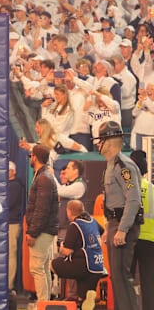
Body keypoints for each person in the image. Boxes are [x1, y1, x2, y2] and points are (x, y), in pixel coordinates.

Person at [93, 121, 142, 310]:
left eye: (100, 140)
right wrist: (110, 227)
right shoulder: (112, 164)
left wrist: (121, 229)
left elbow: (133, 199)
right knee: (117, 277)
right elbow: (116, 201)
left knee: (122, 276)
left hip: (123, 224)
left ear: (110, 141)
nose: (98, 145)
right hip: (116, 222)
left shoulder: (123, 166)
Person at [51, 200, 107, 307]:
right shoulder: (92, 221)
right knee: (84, 298)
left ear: (69, 212)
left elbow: (67, 251)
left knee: (53, 264)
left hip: (83, 266)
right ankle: (84, 299)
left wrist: (61, 246)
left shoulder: (75, 225)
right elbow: (104, 234)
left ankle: (50, 295)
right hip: (97, 266)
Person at [25, 144, 58, 308]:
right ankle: (45, 303)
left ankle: (42, 304)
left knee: (37, 268)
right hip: (45, 230)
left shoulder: (44, 178)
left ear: (35, 157)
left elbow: (41, 209)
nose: (30, 158)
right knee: (43, 268)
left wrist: (32, 232)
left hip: (42, 231)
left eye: (31, 155)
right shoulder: (43, 175)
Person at [129, 150, 153, 310]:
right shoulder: (152, 188)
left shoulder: (128, 188)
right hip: (150, 239)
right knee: (149, 279)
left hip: (129, 237)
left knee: (127, 278)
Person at [8, 161, 25, 293]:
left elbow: (8, 203)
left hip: (12, 223)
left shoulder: (15, 186)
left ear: (14, 171)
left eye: (9, 170)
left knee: (11, 254)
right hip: (4, 223)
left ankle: (9, 285)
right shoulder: (6, 185)